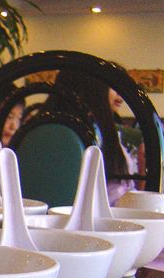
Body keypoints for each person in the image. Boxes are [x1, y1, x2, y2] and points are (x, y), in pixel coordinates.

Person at [48, 70, 138, 205]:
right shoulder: (92, 132)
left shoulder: (40, 128)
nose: (121, 95)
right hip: (102, 215)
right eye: (114, 87)